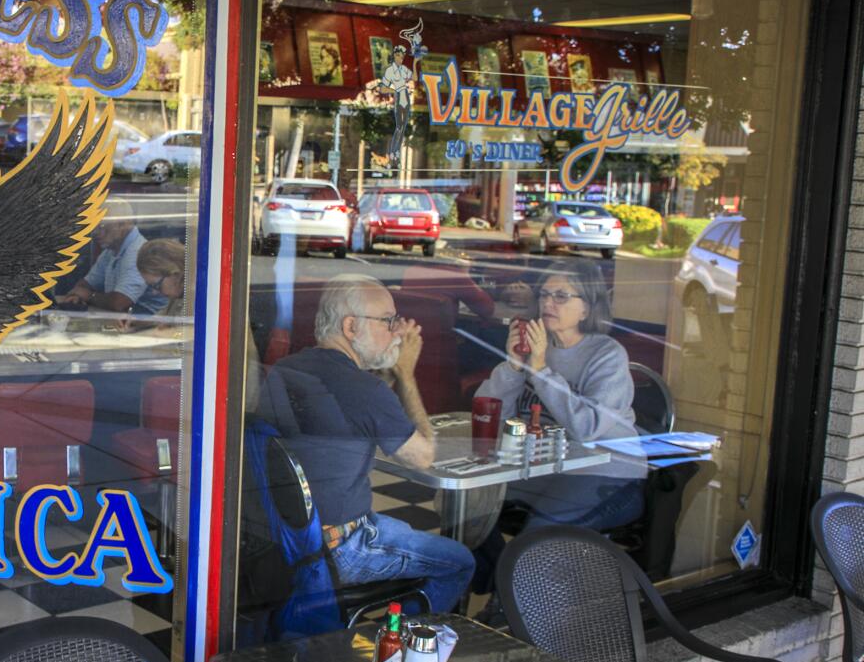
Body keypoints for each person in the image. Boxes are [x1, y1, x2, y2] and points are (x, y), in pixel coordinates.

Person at [267, 273, 475, 613]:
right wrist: (406, 373)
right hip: (345, 545)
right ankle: (399, 653)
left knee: (405, 531)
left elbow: (356, 408)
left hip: (289, 537)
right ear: (351, 327)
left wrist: (389, 371)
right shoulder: (366, 391)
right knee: (459, 561)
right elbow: (423, 455)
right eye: (387, 321)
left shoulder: (288, 368)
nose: (396, 331)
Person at [471, 260, 644, 594]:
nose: (548, 302)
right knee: (468, 505)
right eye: (545, 294)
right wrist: (513, 365)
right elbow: (488, 412)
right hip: (542, 470)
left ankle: (504, 612)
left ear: (587, 307)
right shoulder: (537, 344)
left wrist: (539, 371)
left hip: (607, 475)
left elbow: (588, 428)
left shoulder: (606, 355)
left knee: (537, 540)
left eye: (562, 296)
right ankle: (498, 586)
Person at [56, 198, 166, 313]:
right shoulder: (111, 250)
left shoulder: (137, 252)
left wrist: (88, 296)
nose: (96, 233)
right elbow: (85, 284)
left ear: (123, 224)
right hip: (126, 322)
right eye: (94, 227)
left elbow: (120, 303)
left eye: (102, 226)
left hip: (151, 325)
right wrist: (78, 295)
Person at [379, 45, 414, 163]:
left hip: (406, 98)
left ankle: (395, 152)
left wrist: (416, 62)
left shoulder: (404, 69)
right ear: (394, 56)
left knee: (402, 128)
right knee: (399, 127)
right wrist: (395, 90)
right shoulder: (390, 71)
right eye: (398, 55)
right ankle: (392, 152)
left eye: (402, 56)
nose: (400, 58)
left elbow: (414, 77)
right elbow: (383, 89)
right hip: (399, 98)